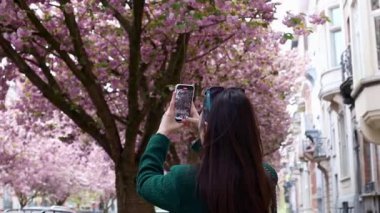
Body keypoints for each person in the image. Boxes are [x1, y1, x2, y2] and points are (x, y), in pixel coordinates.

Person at [136, 87, 278, 213]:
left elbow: (145, 180)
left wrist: (162, 132)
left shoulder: (184, 181)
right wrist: (208, 131)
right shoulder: (266, 177)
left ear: (205, 128)